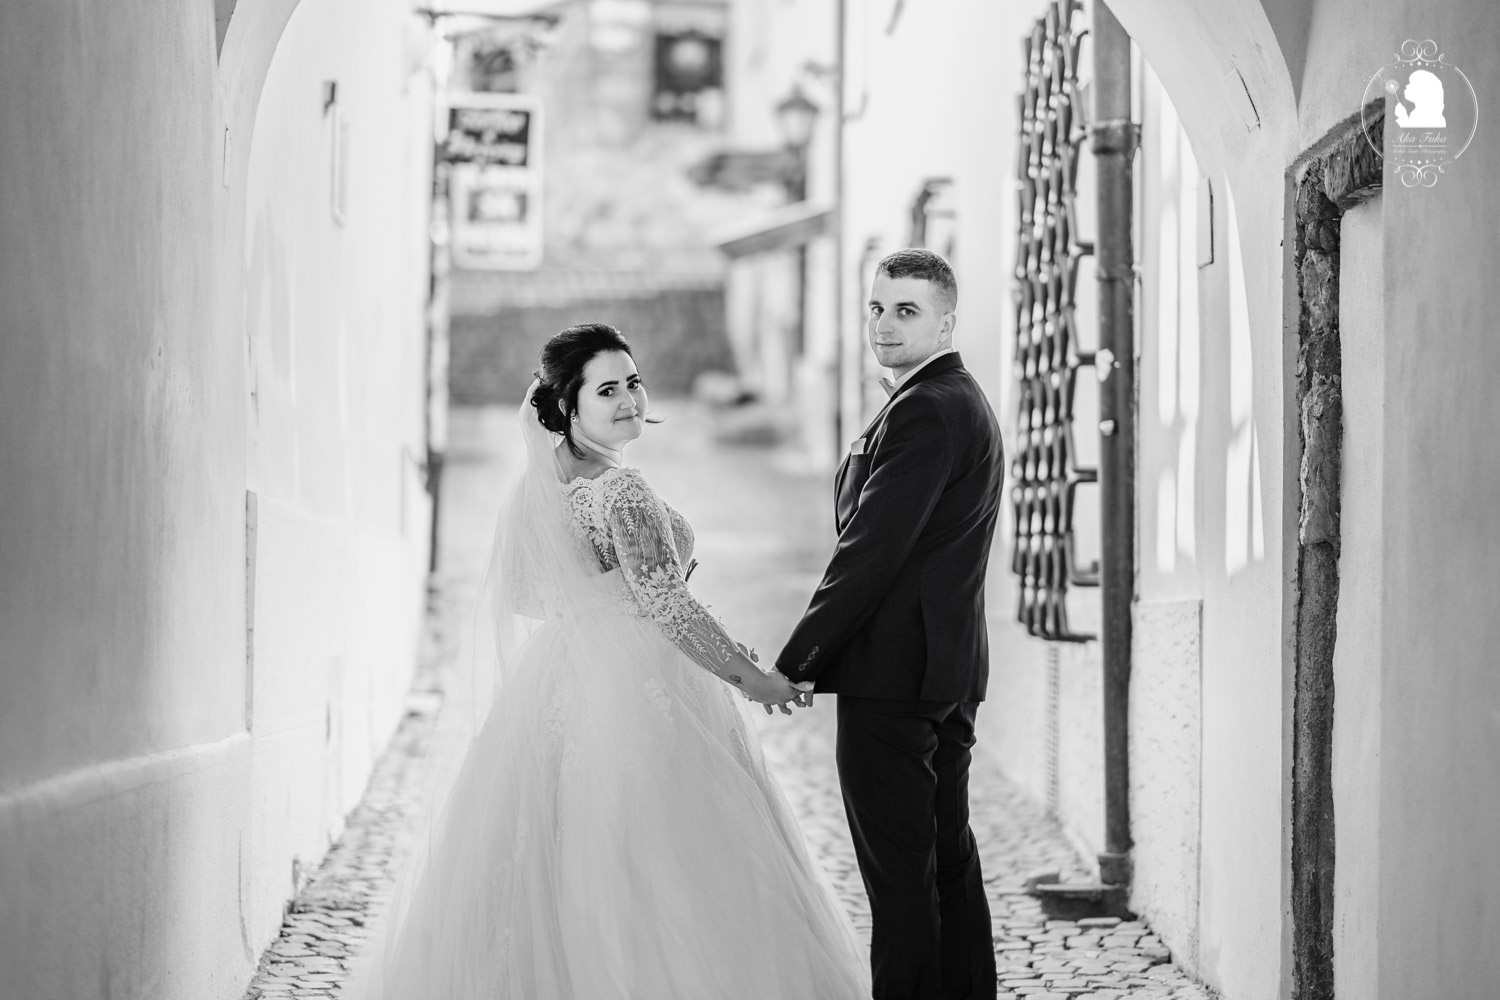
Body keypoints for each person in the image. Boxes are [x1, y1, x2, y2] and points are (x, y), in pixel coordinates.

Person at [378, 323, 871, 999]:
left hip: (562, 675)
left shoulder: (543, 482)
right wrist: (756, 680)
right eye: (606, 390)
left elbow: (525, 594)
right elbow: (668, 604)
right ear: (568, 406)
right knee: (668, 861)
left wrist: (599, 601)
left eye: (633, 383)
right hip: (639, 686)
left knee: (560, 856)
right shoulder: (623, 489)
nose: (629, 400)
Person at [777, 249, 1004, 1000]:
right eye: (877, 307)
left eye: (906, 310)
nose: (884, 324)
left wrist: (798, 662)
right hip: (943, 670)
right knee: (944, 859)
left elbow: (870, 551)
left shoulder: (927, 408)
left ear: (946, 320)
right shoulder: (955, 398)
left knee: (902, 877)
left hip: (895, 676)